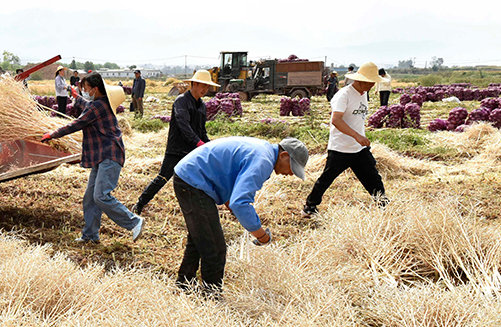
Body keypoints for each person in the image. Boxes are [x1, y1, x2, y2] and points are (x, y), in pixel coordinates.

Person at [173, 136, 309, 298]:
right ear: (284, 155)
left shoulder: (263, 151)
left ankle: (184, 285)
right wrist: (261, 235)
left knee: (201, 238)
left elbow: (230, 178)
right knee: (215, 248)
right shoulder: (263, 161)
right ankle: (211, 298)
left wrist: (232, 204)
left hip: (191, 176)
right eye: (292, 167)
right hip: (193, 180)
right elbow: (240, 203)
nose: (291, 173)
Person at [42, 72, 145, 244]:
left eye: (87, 89)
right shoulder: (100, 103)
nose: (85, 91)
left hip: (109, 155)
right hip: (102, 155)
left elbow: (76, 124)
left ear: (95, 89)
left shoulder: (96, 107)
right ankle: (90, 235)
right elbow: (88, 105)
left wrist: (53, 134)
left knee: (101, 196)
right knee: (90, 198)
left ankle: (134, 222)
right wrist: (76, 97)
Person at [302, 62, 387, 217]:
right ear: (361, 80)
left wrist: (360, 136)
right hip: (340, 148)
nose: (373, 84)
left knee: (373, 177)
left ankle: (383, 205)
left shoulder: (363, 94)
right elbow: (336, 120)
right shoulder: (344, 95)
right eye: (371, 81)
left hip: (359, 148)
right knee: (326, 178)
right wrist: (356, 135)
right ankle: (310, 206)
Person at [133, 70, 217, 215]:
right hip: (177, 149)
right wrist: (199, 144)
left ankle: (197, 210)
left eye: (207, 87)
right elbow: (183, 125)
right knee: (163, 178)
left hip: (194, 149)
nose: (205, 89)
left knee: (197, 180)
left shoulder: (202, 106)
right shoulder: (181, 101)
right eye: (203, 86)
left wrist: (209, 145)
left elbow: (201, 130)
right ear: (194, 84)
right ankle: (140, 204)